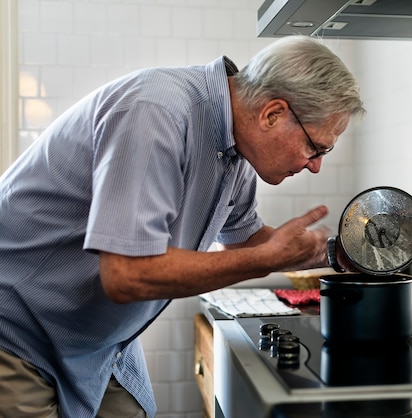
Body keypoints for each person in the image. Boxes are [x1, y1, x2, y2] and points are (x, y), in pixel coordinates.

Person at [0, 35, 365, 417]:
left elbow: (246, 242)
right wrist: (263, 260)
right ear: (272, 114)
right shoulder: (156, 112)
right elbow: (128, 275)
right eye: (316, 148)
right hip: (20, 334)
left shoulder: (234, 147)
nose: (315, 165)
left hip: (93, 343)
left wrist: (337, 253)